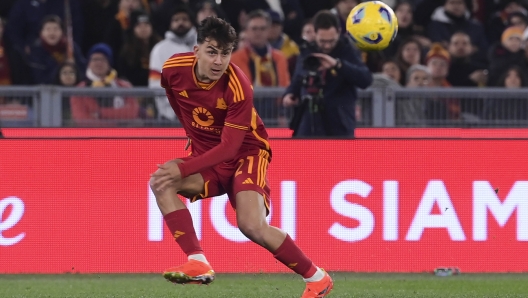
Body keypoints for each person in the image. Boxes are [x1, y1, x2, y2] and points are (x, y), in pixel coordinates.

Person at [149, 16, 334, 298]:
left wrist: (185, 169)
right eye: (212, 51)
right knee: (161, 182)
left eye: (225, 53)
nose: (218, 61)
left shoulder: (239, 86)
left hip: (246, 152)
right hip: (207, 154)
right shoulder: (173, 68)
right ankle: (198, 262)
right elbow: (175, 97)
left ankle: (317, 278)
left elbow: (229, 148)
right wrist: (192, 136)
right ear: (196, 51)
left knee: (251, 225)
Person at [282, 10, 372, 138]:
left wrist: (338, 65)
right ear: (315, 33)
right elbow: (298, 78)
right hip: (309, 121)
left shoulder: (348, 51)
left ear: (339, 32)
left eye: (331, 41)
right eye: (323, 41)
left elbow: (366, 79)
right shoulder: (307, 51)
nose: (327, 45)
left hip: (339, 122)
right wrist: (290, 94)